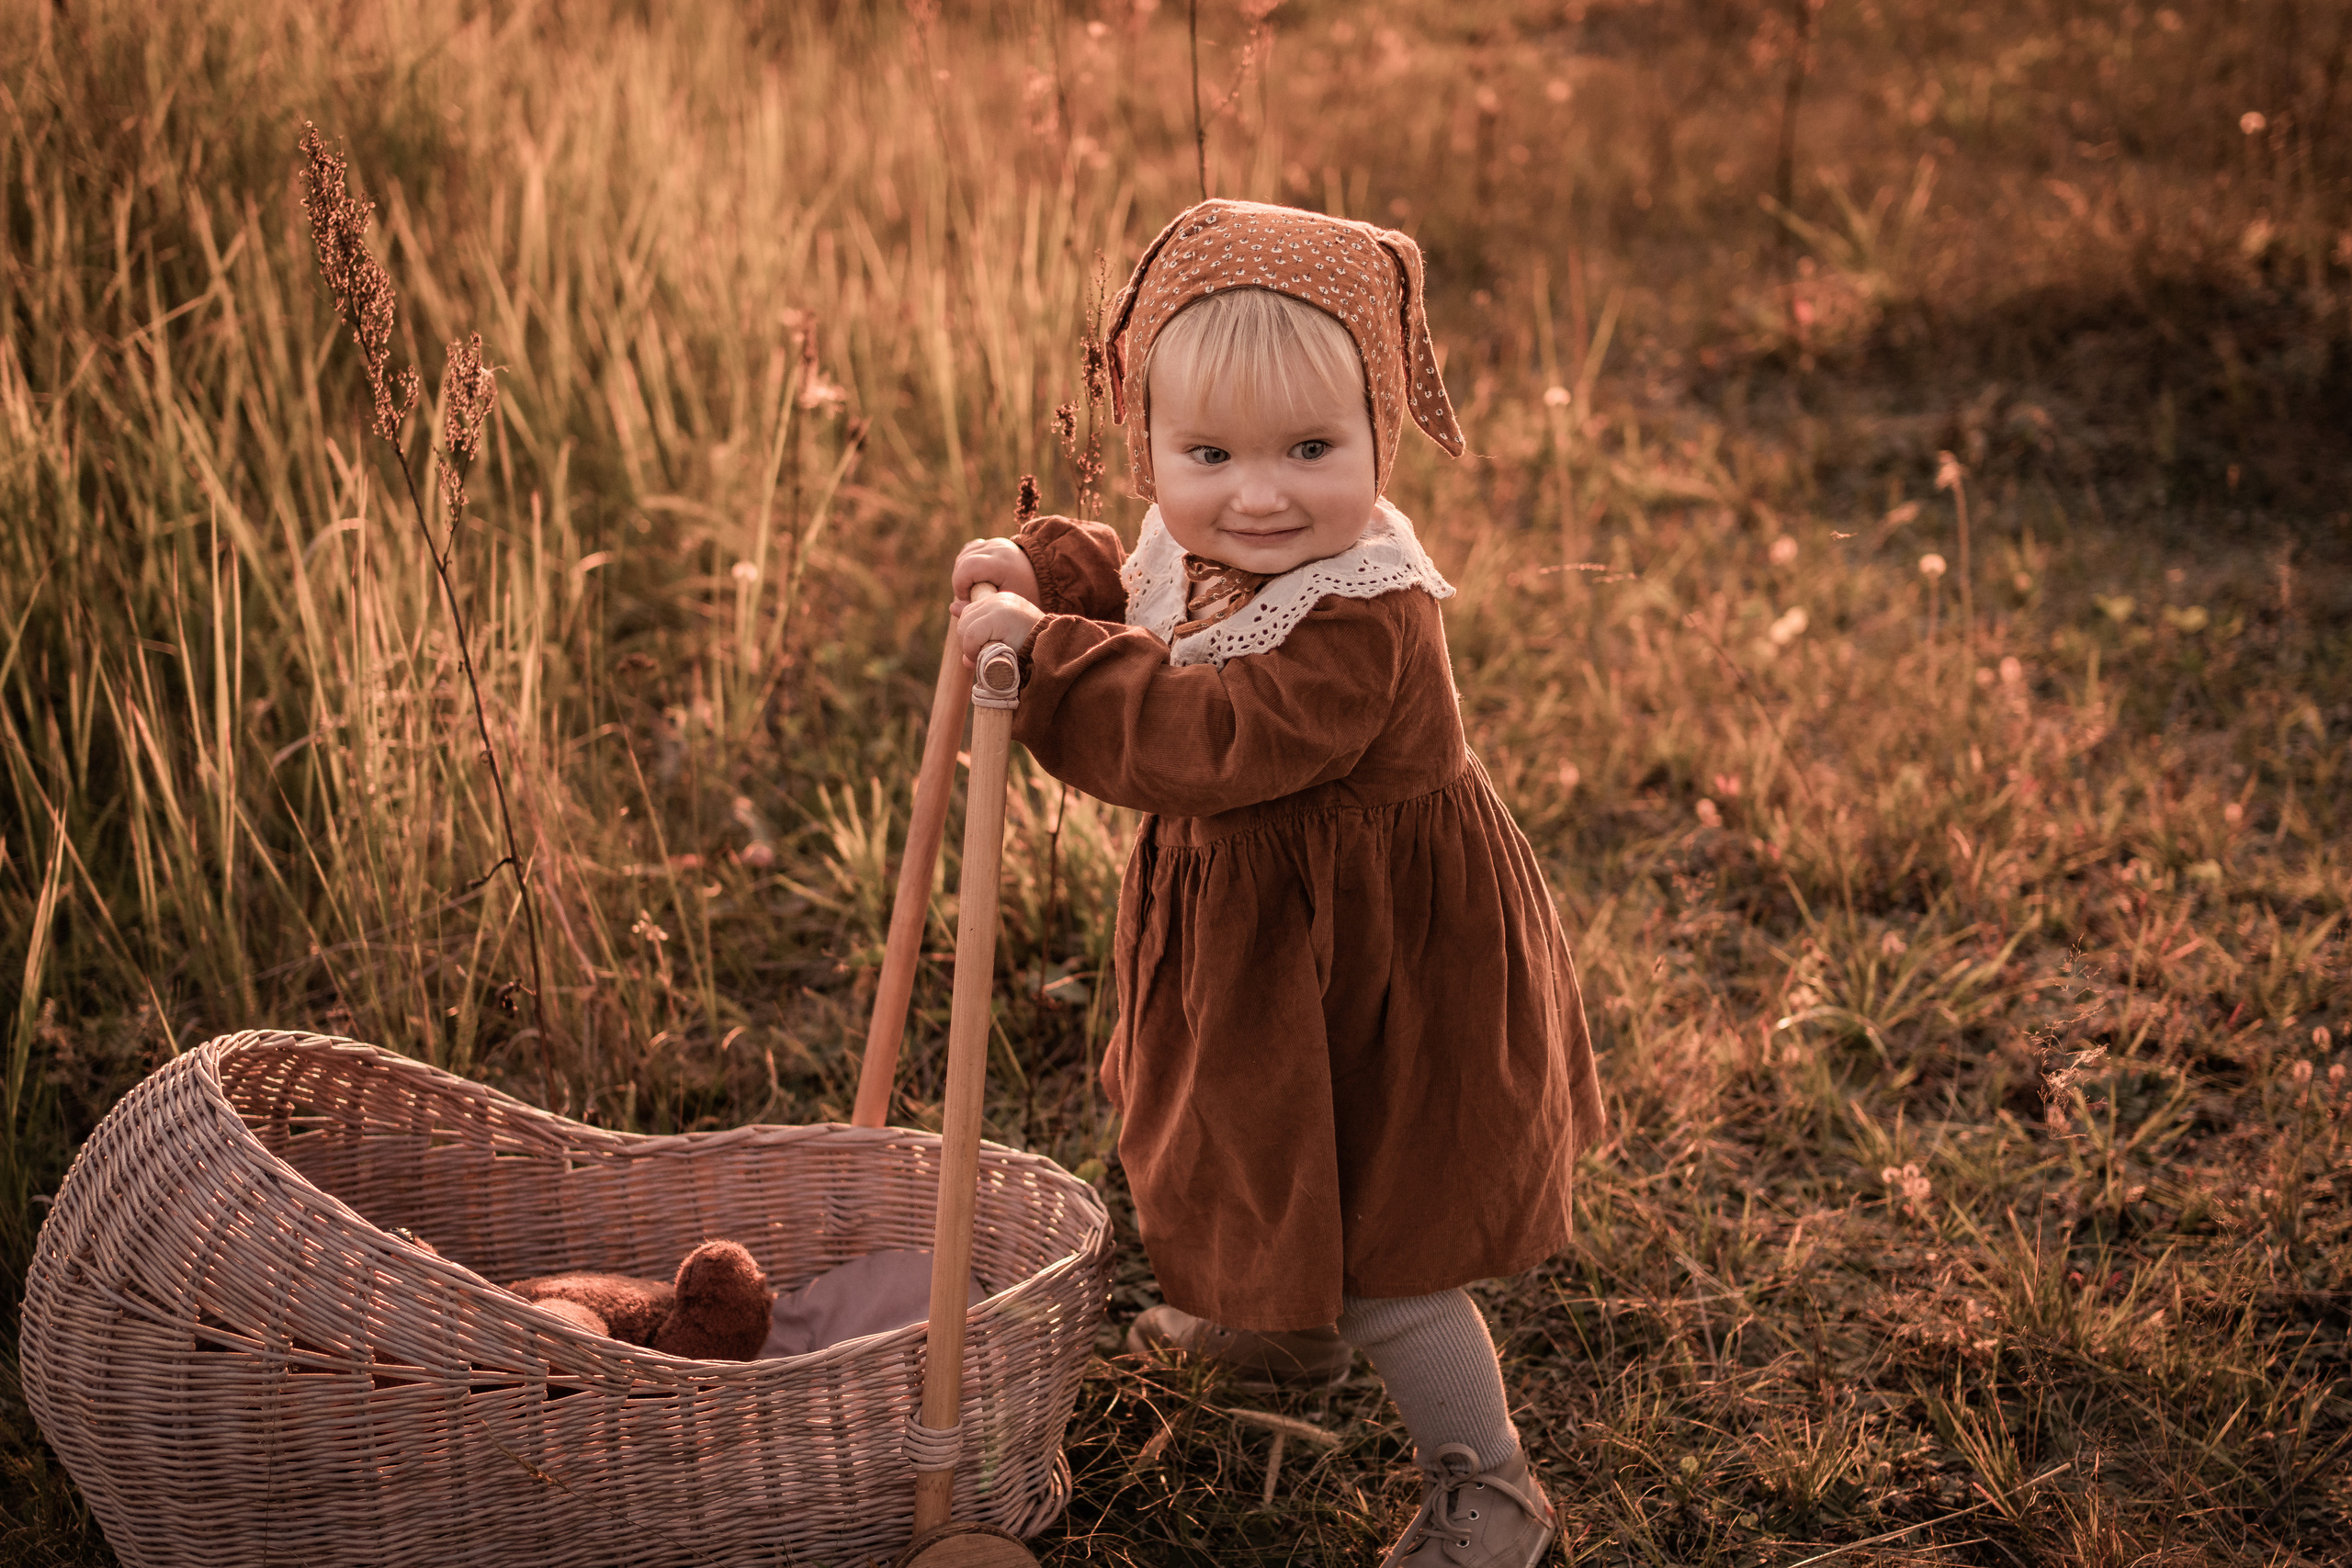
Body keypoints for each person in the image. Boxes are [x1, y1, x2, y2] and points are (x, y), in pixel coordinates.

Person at [950, 199, 1605, 1568]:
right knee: (1245, 1142)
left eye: (1313, 450)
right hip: (1262, 954)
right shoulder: (1215, 542)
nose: (1258, 495)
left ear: (1381, 434)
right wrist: (1041, 567)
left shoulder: (1362, 616)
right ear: (1157, 444)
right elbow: (1139, 588)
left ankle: (1489, 1489)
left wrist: (1051, 665)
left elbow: (1213, 736)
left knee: (1382, 1245)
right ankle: (1265, 1318)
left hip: (1373, 973)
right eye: (1208, 454)